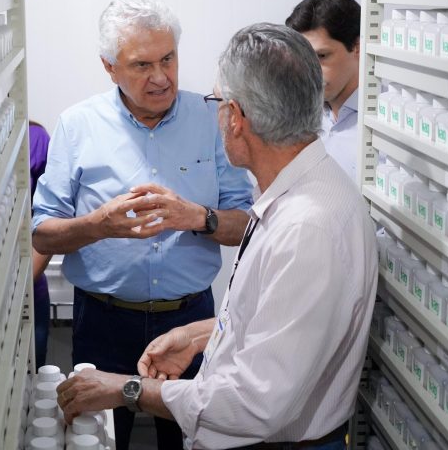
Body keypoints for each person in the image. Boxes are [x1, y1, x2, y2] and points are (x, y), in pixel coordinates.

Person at [55, 23, 378, 450]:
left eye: (218, 102)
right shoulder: (304, 191)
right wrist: (199, 336)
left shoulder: (306, 228)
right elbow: (282, 323)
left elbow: (252, 405)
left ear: (236, 118)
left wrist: (127, 389)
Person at [31, 0, 254, 450]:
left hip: (191, 322)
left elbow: (247, 224)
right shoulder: (77, 125)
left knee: (191, 441)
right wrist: (98, 225)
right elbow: (42, 233)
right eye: (142, 65)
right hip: (102, 322)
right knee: (98, 440)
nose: (160, 77)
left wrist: (198, 217)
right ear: (109, 67)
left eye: (168, 58)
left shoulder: (213, 118)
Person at [286, 0, 362, 181]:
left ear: (357, 47)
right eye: (303, 58)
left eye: (322, 56)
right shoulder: (297, 116)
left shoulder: (386, 123)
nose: (310, 70)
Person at [28, 121, 53, 368]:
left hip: (28, 284)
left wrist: (22, 287)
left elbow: (50, 216)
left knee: (31, 375)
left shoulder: (35, 137)